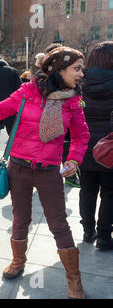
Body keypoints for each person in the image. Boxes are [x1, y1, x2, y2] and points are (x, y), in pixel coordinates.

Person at [0, 46, 90, 299]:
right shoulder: (27, 92)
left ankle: (74, 281)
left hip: (49, 172)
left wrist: (74, 160)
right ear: (59, 69)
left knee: (59, 224)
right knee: (20, 218)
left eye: (82, 69)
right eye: (77, 68)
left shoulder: (72, 100)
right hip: (19, 168)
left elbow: (81, 136)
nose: (81, 74)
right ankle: (18, 261)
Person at [79, 41, 113, 250]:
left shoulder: (79, 83)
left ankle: (87, 231)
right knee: (110, 191)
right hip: (109, 146)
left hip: (83, 145)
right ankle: (103, 236)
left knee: (87, 189)